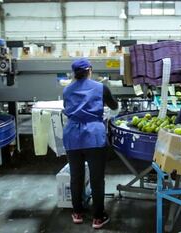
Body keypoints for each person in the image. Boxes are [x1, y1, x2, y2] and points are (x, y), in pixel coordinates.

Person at [62, 58, 119, 229]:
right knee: (96, 179)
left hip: (73, 136)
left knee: (76, 177)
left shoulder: (67, 90)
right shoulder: (101, 88)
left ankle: (77, 213)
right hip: (94, 136)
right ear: (90, 70)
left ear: (74, 73)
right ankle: (98, 218)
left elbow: (68, 109)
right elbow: (114, 106)